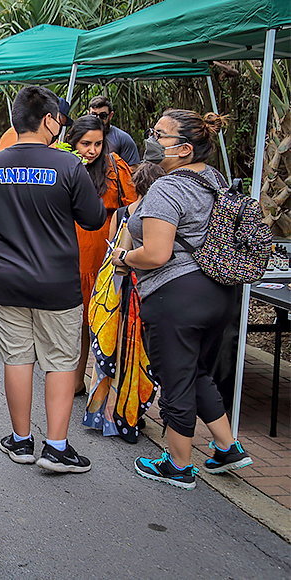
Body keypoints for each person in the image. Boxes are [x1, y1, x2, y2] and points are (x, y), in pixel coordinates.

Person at [0, 85, 106, 474]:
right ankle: (56, 447)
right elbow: (94, 218)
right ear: (49, 120)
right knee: (60, 361)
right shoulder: (69, 166)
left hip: (6, 282)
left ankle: (21, 440)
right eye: (59, 119)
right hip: (57, 284)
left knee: (17, 358)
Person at [111, 109, 253, 489]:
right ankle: (227, 447)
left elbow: (157, 254)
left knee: (175, 378)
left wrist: (124, 257)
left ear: (184, 148)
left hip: (176, 297)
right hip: (218, 294)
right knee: (195, 371)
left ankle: (178, 464)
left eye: (160, 134)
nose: (152, 139)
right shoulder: (214, 179)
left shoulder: (167, 188)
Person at [82, 161, 164, 443]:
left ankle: (104, 414)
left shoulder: (121, 213)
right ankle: (125, 415)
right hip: (140, 292)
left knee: (111, 355)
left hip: (116, 293)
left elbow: (110, 253)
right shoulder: (157, 217)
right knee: (136, 355)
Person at [64, 115, 137, 396]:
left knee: (102, 318)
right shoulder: (63, 164)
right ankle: (75, 377)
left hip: (104, 255)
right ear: (73, 142)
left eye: (97, 144)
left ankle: (103, 382)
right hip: (70, 253)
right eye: (85, 144)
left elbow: (132, 206)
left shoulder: (115, 166)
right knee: (78, 320)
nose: (92, 150)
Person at [88, 95, 141, 168]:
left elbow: (134, 168)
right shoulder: (80, 136)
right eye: (94, 115)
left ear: (110, 116)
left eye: (103, 116)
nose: (98, 119)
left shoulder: (122, 138)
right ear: (88, 114)